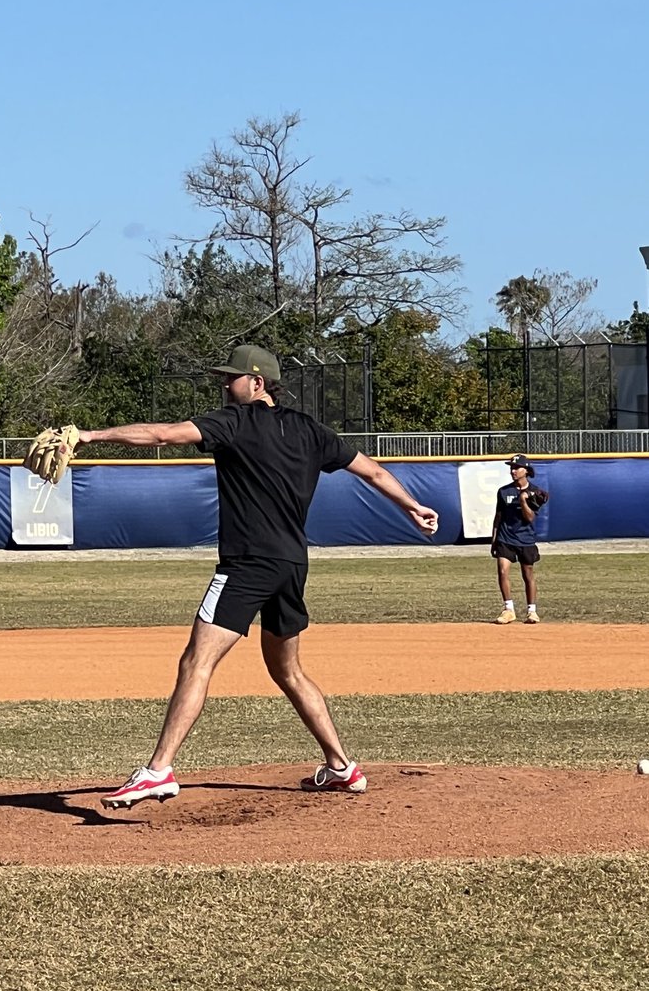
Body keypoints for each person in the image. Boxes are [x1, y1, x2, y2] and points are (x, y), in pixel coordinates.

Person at [74, 344, 440, 810]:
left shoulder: (235, 423)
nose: (224, 386)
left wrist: (89, 435)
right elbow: (371, 470)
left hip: (247, 564)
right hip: (291, 564)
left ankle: (157, 771)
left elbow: (162, 435)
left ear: (257, 382)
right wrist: (412, 506)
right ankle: (342, 767)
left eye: (231, 379)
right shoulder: (311, 430)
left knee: (196, 662)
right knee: (287, 670)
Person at [491, 453, 549, 625]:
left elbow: (530, 518)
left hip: (525, 538)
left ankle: (532, 611)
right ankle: (508, 609)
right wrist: (493, 539)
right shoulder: (504, 491)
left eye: (517, 468)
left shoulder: (535, 492)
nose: (513, 471)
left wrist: (524, 500)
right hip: (505, 537)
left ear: (526, 471)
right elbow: (498, 516)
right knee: (502, 570)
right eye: (511, 468)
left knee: (528, 575)